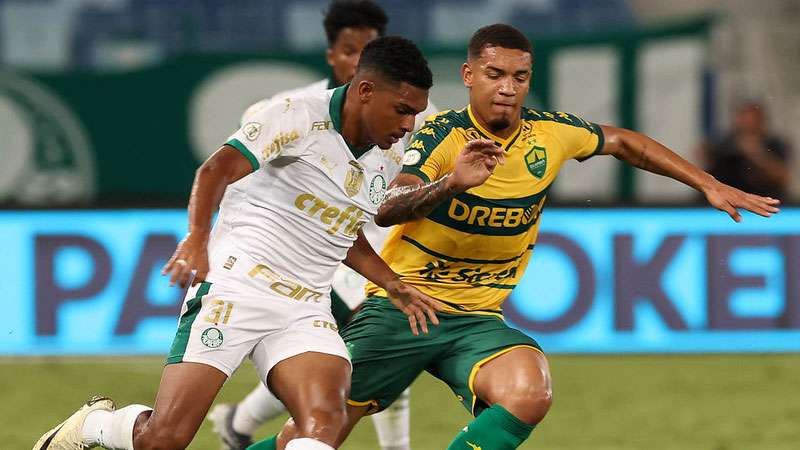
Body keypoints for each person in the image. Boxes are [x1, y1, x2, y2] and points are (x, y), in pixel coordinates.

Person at [253, 23, 781, 450]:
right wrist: (451, 183)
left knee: (530, 389)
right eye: (495, 73)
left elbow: (623, 142)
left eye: (520, 76)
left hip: (478, 319)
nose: (507, 87)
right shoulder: (439, 135)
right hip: (403, 309)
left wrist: (708, 183)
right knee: (306, 438)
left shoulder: (550, 133)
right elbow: (387, 208)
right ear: (469, 75)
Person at [32, 36, 452, 450]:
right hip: (236, 286)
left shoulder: (389, 155)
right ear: (365, 91)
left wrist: (391, 282)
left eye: (415, 114)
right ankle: (94, 425)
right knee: (164, 438)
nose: (408, 126)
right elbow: (215, 169)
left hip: (305, 306)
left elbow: (342, 230)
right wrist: (197, 239)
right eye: (402, 111)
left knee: (323, 424)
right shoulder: (295, 115)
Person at [208, 2, 438, 450]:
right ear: (333, 56)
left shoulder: (414, 117)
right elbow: (238, 178)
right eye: (350, 51)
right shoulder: (288, 112)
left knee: (350, 366)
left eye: (368, 51)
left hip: (379, 253)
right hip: (317, 263)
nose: (357, 62)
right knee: (367, 359)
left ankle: (240, 420)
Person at [699, 101, 791, 200]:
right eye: (745, 121)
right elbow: (708, 175)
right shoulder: (723, 144)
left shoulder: (774, 144)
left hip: (765, 200)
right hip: (729, 201)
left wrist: (757, 155)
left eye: (753, 122)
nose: (748, 125)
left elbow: (783, 178)